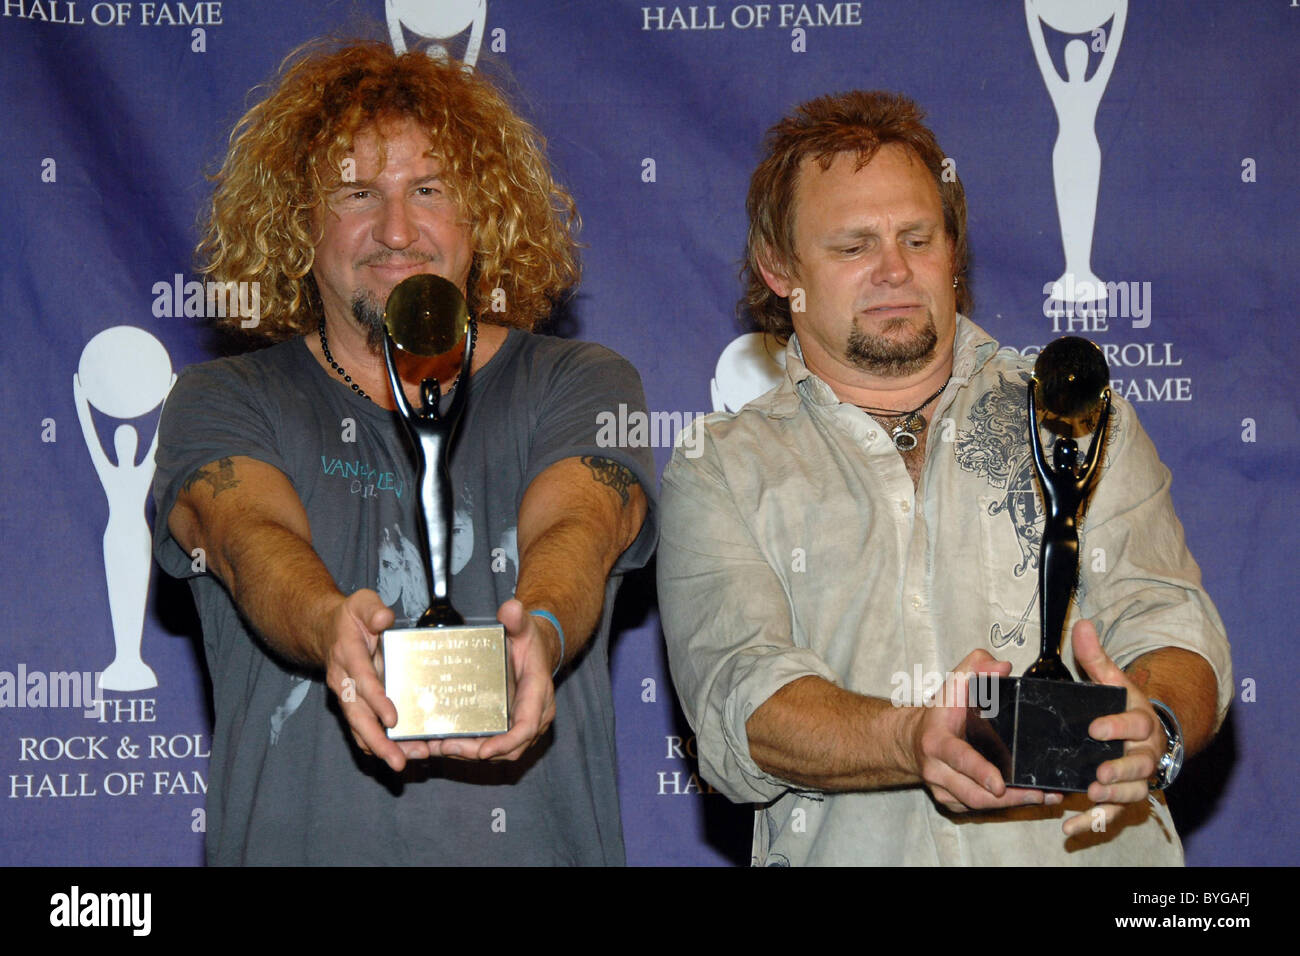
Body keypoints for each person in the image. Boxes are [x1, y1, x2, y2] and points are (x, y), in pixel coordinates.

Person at [657, 91, 1230, 865]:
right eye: (854, 246)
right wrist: (910, 738)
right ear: (779, 270)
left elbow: (1171, 623)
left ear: (953, 253)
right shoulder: (721, 467)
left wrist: (1155, 722)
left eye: (918, 238)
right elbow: (742, 696)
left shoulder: (1080, 416)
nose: (894, 270)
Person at [152, 41, 655, 865]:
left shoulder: (580, 381)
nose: (396, 229)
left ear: (480, 214)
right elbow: (247, 540)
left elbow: (581, 520)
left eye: (428, 189)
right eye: (356, 193)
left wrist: (547, 629)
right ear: (298, 221)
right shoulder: (223, 399)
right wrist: (326, 626)